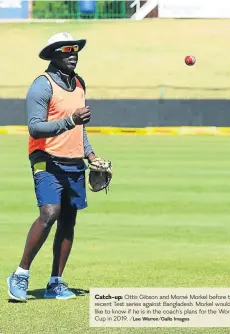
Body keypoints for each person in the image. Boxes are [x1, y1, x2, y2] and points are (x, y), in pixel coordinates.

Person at [7, 32, 107, 302]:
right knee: (49, 213)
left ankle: (55, 282)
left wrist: (90, 154)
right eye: (66, 51)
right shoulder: (42, 85)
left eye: (75, 50)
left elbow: (80, 128)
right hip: (46, 158)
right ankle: (20, 274)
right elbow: (35, 128)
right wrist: (69, 121)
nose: (73, 55)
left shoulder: (79, 83)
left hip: (73, 160)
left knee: (68, 219)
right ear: (54, 55)